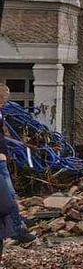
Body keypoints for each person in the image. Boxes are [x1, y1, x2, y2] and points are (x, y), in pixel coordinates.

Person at [0, 85, 36, 250]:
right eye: (3, 99)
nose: (4, 103)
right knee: (8, 196)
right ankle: (17, 229)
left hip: (2, 159)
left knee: (10, 195)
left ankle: (17, 222)